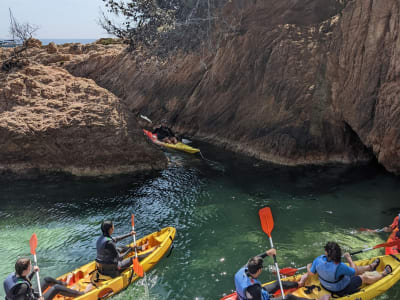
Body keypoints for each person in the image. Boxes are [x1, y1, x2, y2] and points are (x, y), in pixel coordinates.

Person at [234, 249, 330, 300]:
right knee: (288, 297)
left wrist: (267, 253)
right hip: (256, 297)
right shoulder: (254, 290)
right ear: (259, 270)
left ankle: (299, 284)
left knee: (277, 283)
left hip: (251, 295)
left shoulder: (242, 271)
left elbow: (254, 259)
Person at [306, 241, 392, 297]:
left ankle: (371, 267)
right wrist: (349, 259)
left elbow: (311, 273)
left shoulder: (317, 260)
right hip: (339, 288)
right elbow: (354, 271)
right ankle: (383, 274)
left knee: (352, 270)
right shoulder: (340, 266)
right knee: (363, 277)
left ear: (326, 252)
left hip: (325, 286)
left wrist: (308, 266)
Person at [3, 257, 83, 300]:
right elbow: (21, 293)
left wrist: (33, 272)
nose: (31, 266)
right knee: (56, 288)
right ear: (25, 270)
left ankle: (65, 284)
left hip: (30, 295)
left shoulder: (15, 275)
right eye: (30, 266)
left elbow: (24, 281)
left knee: (46, 279)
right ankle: (82, 293)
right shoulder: (22, 288)